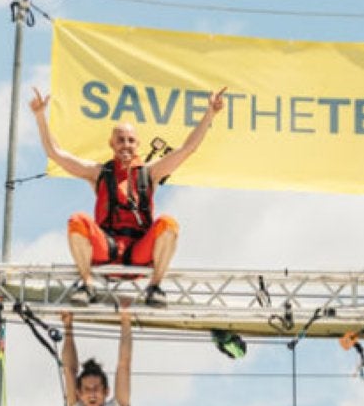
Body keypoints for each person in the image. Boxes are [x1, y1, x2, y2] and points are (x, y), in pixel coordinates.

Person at [30, 86, 227, 306]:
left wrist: (210, 113)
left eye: (131, 141)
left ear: (138, 145)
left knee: (168, 224)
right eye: (121, 140)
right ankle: (87, 285)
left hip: (139, 252)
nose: (126, 145)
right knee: (77, 220)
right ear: (112, 144)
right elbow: (55, 153)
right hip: (108, 248)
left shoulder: (150, 173)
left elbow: (187, 149)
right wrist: (40, 116)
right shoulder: (99, 173)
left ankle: (154, 287)